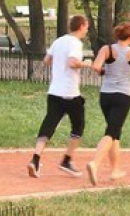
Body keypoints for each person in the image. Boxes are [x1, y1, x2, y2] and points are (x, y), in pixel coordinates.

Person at [27, 15, 91, 178]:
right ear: (81, 26)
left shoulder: (59, 41)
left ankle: (35, 159)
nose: (87, 30)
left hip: (54, 91)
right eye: (86, 27)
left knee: (49, 124)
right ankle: (67, 160)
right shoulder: (76, 43)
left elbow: (47, 60)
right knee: (78, 126)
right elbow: (72, 62)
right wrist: (87, 64)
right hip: (70, 93)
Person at [85, 22, 130, 185]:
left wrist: (106, 71)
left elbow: (95, 66)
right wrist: (128, 72)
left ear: (117, 36)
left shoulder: (107, 49)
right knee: (111, 132)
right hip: (123, 95)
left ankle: (115, 169)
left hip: (106, 95)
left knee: (115, 132)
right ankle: (95, 163)